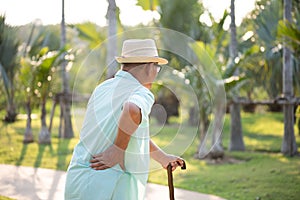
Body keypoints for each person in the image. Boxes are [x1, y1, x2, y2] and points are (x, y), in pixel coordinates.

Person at [64, 39, 185, 200]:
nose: (157, 72)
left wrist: (162, 157)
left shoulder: (103, 88)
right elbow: (131, 110)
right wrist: (118, 149)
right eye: (157, 66)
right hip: (107, 188)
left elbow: (128, 128)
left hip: (78, 181)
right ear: (149, 67)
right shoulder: (141, 92)